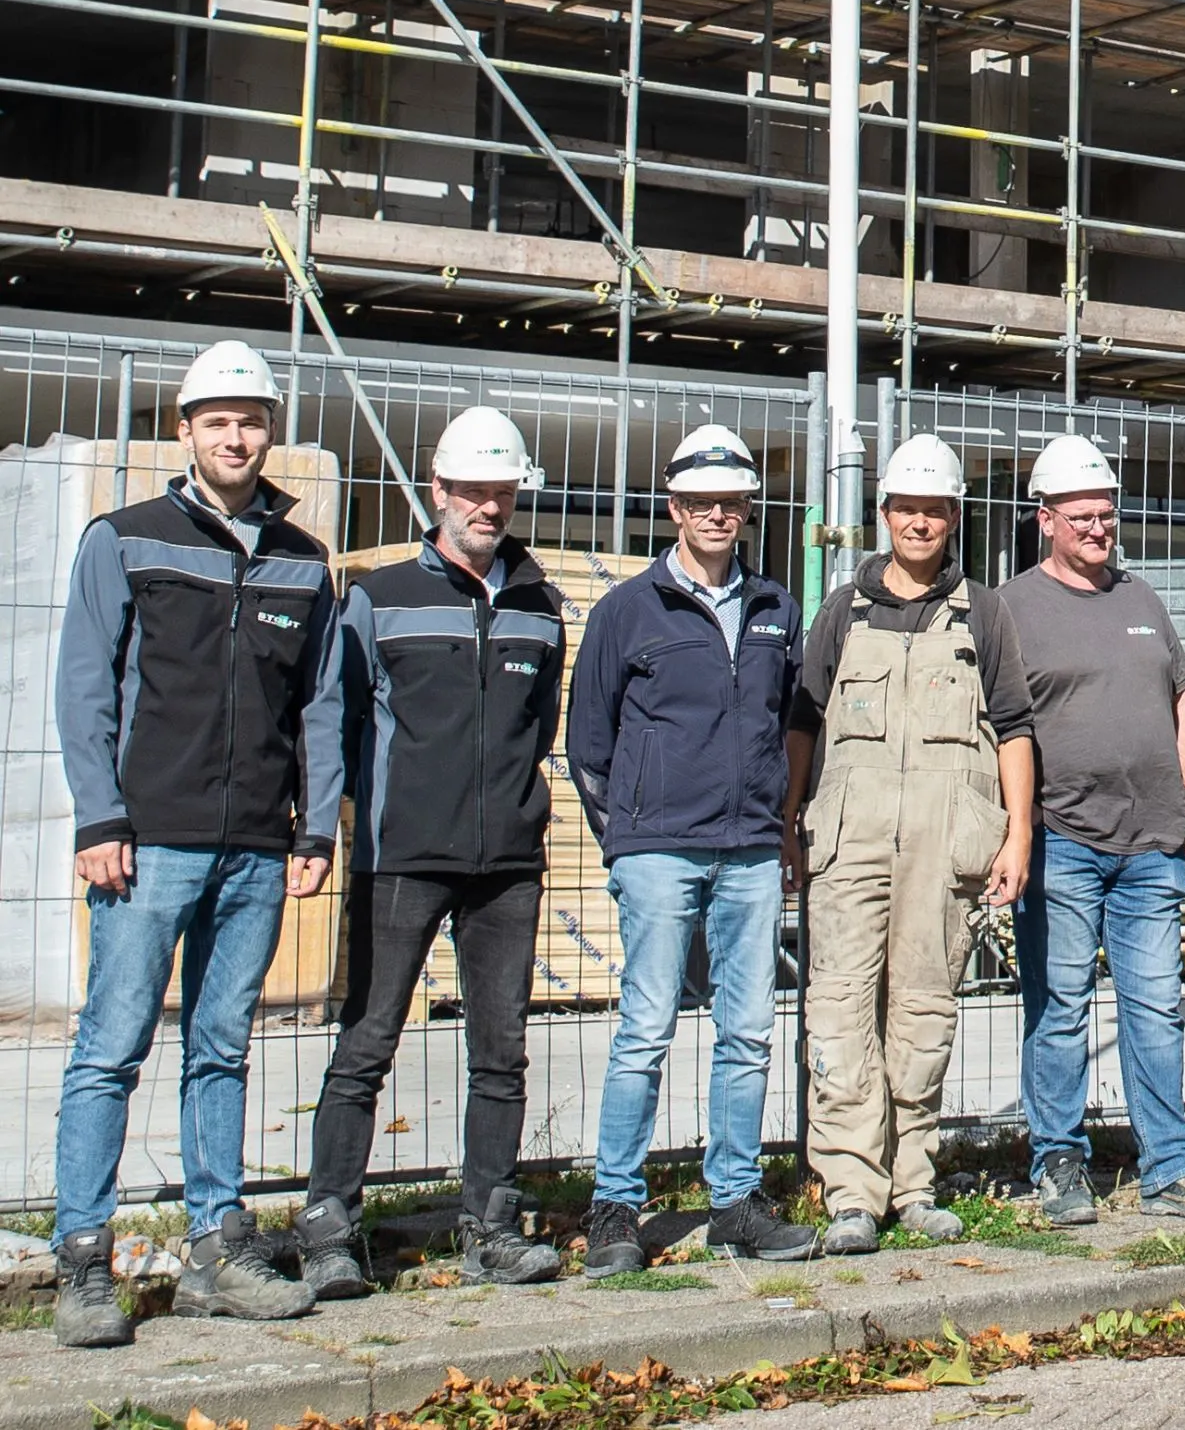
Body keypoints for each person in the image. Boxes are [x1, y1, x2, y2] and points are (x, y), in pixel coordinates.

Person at [48, 341, 336, 1345]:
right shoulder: (123, 538)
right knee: (108, 1050)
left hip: (256, 845)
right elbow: (86, 685)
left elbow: (321, 704)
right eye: (216, 418)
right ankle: (83, 1260)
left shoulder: (305, 560)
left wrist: (316, 823)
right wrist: (99, 816)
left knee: (221, 1048)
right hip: (147, 841)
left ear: (270, 432)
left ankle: (218, 1245)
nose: (235, 434)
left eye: (251, 418)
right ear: (184, 429)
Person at [295, 406, 568, 1301]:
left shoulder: (540, 605)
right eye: (473, 491)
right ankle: (331, 1225)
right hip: (399, 856)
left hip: (506, 867)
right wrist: (324, 829)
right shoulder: (377, 596)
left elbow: (541, 728)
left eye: (502, 493)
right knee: (366, 1044)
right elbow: (332, 716)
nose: (488, 507)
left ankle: (489, 1218)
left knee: (502, 1049)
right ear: (437, 490)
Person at [566, 423, 818, 1276]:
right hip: (659, 850)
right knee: (644, 1027)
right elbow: (588, 742)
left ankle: (735, 1201)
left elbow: (791, 726)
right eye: (702, 500)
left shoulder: (777, 609)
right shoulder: (626, 611)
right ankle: (614, 1207)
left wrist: (776, 823)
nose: (718, 514)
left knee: (747, 1031)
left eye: (732, 502)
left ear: (748, 510)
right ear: (673, 506)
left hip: (748, 847)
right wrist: (628, 839)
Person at [784, 432, 1034, 1254]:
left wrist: (1017, 833)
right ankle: (852, 1189)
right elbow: (802, 720)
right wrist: (793, 820)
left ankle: (913, 1181)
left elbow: (1015, 729)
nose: (920, 524)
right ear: (884, 513)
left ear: (954, 517)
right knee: (841, 1007)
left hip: (945, 846)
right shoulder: (842, 609)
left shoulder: (983, 612)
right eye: (906, 509)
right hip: (849, 842)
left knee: (925, 1008)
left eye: (934, 510)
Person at [994, 435, 1185, 1228]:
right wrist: (1016, 828)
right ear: (1046, 520)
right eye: (1084, 518)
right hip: (1061, 835)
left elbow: (1182, 700)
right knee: (1060, 1006)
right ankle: (1059, 1162)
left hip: (1151, 839)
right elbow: (1000, 723)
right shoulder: (1010, 607)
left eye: (1107, 516)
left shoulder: (1140, 600)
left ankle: (1171, 1163)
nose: (1101, 529)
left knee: (1154, 1009)